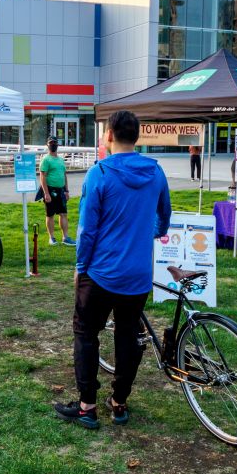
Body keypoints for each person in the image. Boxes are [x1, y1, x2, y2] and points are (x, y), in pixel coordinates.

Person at [54, 110, 171, 430]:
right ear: (137, 137)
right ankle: (119, 402)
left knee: (86, 333)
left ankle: (87, 406)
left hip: (100, 273)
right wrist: (147, 233)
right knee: (128, 337)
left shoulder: (100, 173)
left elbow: (87, 230)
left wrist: (80, 267)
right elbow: (165, 218)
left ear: (108, 136)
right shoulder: (156, 172)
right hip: (137, 275)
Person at [38, 137, 75, 246]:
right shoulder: (46, 159)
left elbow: (64, 175)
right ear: (47, 145)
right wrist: (46, 193)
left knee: (63, 213)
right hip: (50, 190)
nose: (53, 145)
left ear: (57, 145)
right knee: (50, 214)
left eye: (55, 143)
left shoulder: (60, 160)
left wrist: (66, 190)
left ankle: (66, 237)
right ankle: (52, 238)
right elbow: (42, 176)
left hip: (61, 190)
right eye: (51, 143)